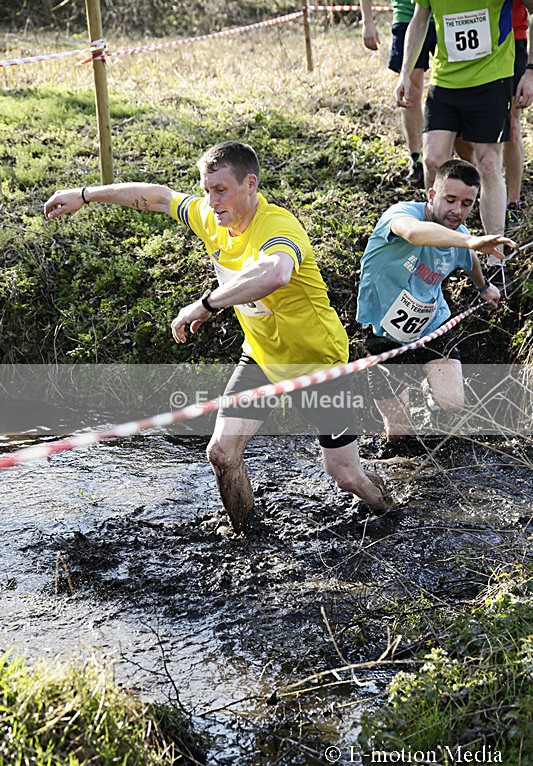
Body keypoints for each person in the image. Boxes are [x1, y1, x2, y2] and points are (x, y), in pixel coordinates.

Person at [44, 141, 391, 532]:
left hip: (316, 363)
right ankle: (245, 536)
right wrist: (86, 195)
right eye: (207, 190)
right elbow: (158, 198)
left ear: (250, 185)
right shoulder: (211, 217)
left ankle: (393, 513)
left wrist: (206, 305)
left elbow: (275, 274)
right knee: (222, 453)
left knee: (345, 476)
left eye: (221, 190)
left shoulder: (278, 226)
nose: (211, 201)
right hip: (260, 356)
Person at [356, 159, 516, 441]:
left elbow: (470, 261)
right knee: (399, 434)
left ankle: (430, 401)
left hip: (432, 326)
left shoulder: (461, 237)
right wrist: (468, 241)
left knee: (453, 403)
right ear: (431, 195)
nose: (457, 211)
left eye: (467, 204)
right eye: (450, 199)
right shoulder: (402, 213)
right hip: (383, 334)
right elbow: (414, 233)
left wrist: (483, 287)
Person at [394, 0, 533, 260]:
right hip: (446, 80)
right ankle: (438, 249)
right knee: (432, 160)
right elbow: (419, 19)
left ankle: (495, 257)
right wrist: (405, 73)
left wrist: (531, 70)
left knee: (489, 163)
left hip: (492, 79)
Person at [360, 0, 437, 187]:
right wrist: (367, 21)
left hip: (448, 14)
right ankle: (417, 158)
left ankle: (454, 153)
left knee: (456, 87)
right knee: (410, 92)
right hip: (407, 16)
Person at [504, 1, 533, 229]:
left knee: (511, 124)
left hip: (512, 38)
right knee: (461, 135)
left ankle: (512, 203)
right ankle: (480, 185)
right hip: (464, 42)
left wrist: (532, 69)